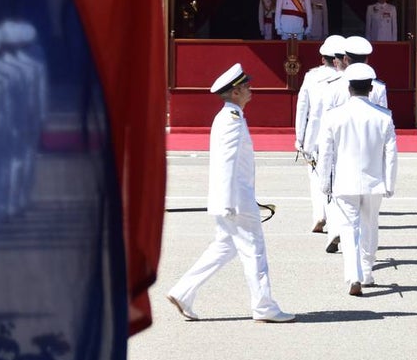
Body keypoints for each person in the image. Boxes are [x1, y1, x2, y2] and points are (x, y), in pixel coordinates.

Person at [167, 64, 295, 323]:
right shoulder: (232, 119)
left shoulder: (230, 116)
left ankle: (183, 291)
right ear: (235, 92)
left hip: (232, 198)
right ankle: (264, 306)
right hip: (236, 201)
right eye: (246, 86)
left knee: (223, 248)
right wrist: (227, 201)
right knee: (254, 250)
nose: (250, 89)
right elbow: (227, 160)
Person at [316, 63, 398, 296]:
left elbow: (326, 153)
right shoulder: (384, 116)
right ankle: (367, 270)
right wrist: (389, 184)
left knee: (349, 228)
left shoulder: (334, 116)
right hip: (373, 182)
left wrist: (325, 183)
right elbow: (390, 154)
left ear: (348, 87)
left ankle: (354, 275)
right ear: (371, 88)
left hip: (345, 181)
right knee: (370, 225)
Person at [295, 35, 345, 233]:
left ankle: (319, 214)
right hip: (338, 136)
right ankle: (334, 217)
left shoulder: (311, 76)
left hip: (314, 137)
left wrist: (300, 137)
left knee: (315, 176)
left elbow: (302, 108)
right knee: (337, 176)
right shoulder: (345, 78)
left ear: (322, 57)